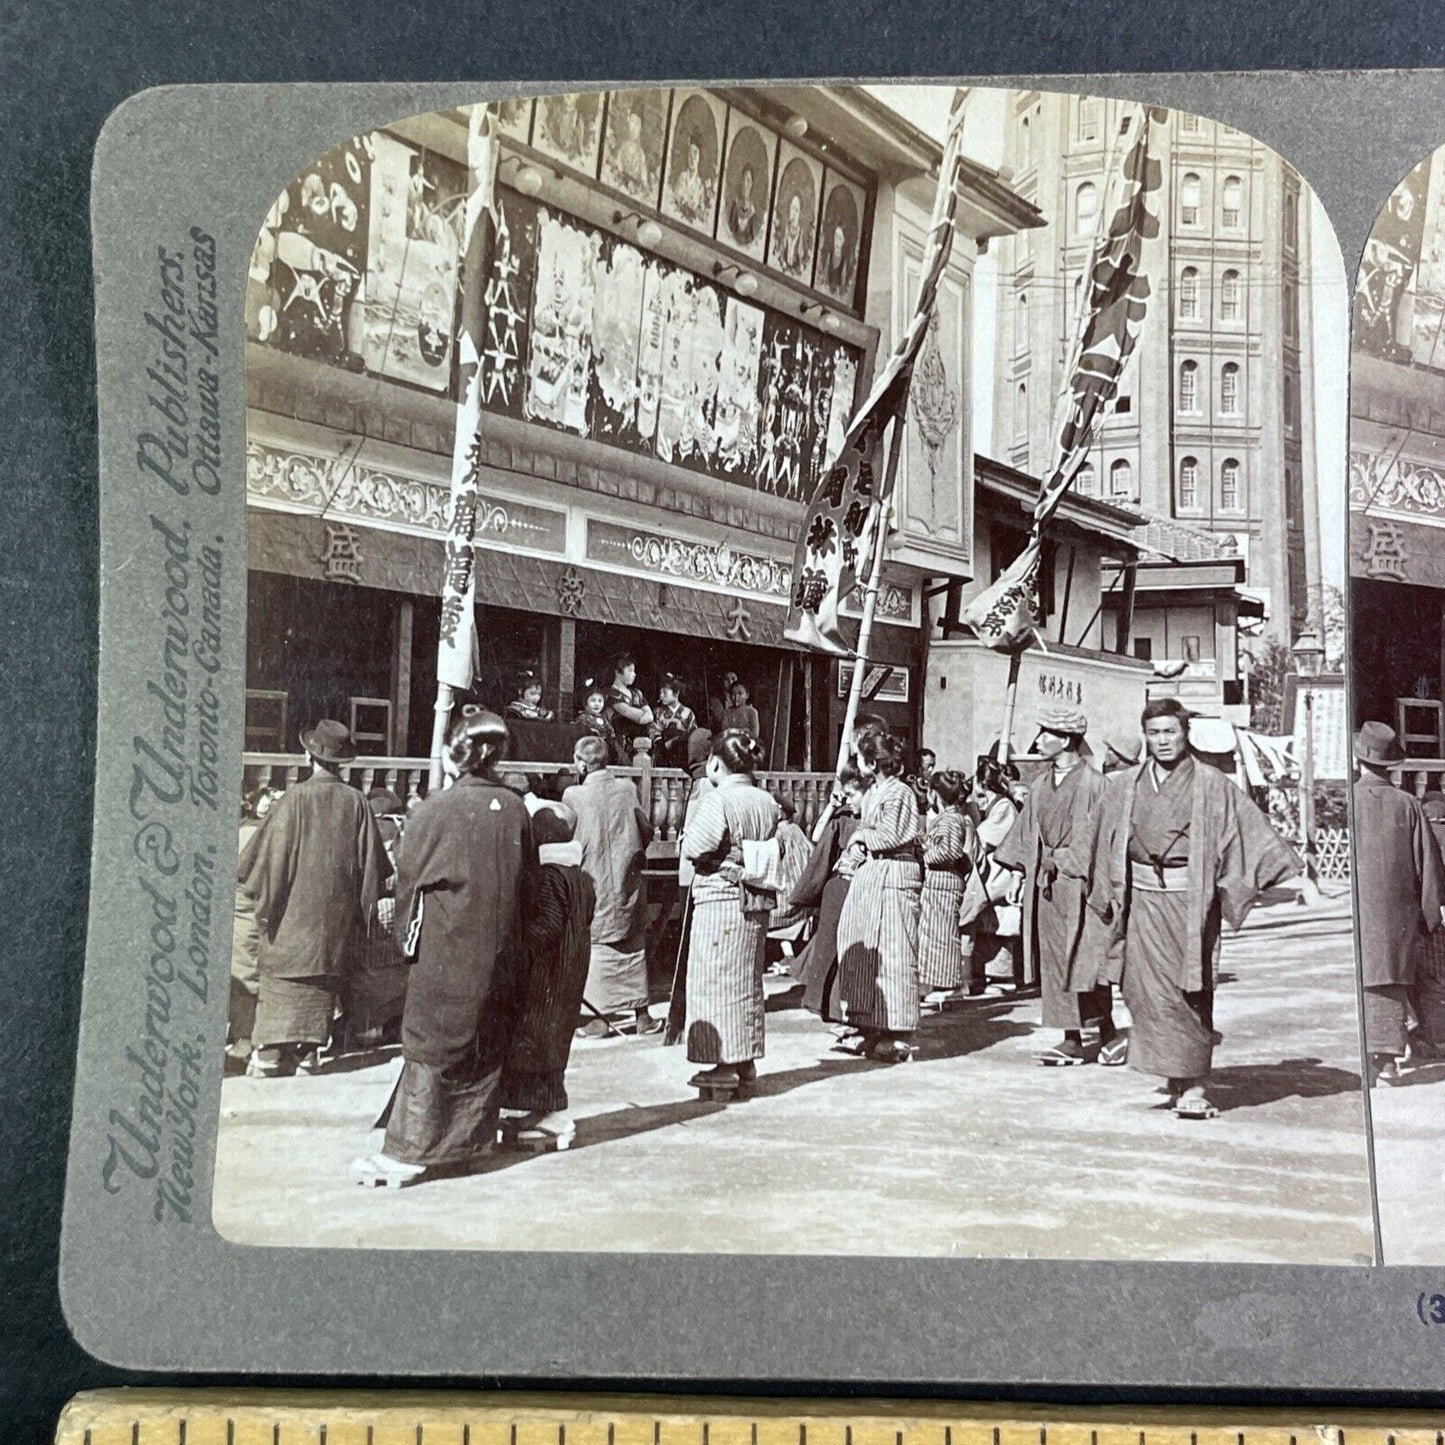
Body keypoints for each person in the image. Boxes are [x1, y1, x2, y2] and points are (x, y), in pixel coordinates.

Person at [352, 708, 536, 1186]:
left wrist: (406, 939)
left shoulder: (435, 809)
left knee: (432, 1041)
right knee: (483, 1039)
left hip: (449, 946)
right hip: (501, 948)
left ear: (455, 755)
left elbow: (408, 882)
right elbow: (529, 886)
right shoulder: (516, 807)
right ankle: (467, 1143)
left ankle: (411, 1149)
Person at [1097, 697, 1303, 1118]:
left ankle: (1196, 1085)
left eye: (1170, 732)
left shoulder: (1211, 783)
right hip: (1141, 902)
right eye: (1153, 733)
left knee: (1190, 987)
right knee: (1142, 991)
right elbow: (1100, 838)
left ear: (1185, 733)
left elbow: (1246, 832)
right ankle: (1174, 1074)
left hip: (1188, 904)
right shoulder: (1126, 784)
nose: (1162, 741)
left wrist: (1247, 882)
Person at [238, 721, 387, 1078]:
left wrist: (265, 907)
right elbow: (374, 869)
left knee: (282, 977)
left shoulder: (294, 799)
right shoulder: (357, 802)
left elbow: (264, 864)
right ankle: (309, 1053)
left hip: (292, 916)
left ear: (308, 756)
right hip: (333, 922)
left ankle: (270, 1055)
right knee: (322, 980)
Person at [993, 705, 1115, 1066]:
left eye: (1046, 733)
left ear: (1066, 740)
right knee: (1055, 960)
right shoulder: (1041, 784)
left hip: (1083, 885)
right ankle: (1072, 1037)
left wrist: (1077, 870)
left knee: (1085, 958)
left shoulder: (1096, 785)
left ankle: (1105, 1029)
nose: (1039, 740)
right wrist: (1018, 873)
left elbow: (1101, 840)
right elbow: (1027, 832)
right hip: (1048, 885)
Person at [678, 729, 783, 1092]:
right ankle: (745, 1058)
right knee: (746, 981)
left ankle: (723, 1063)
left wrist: (684, 839)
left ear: (715, 763)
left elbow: (697, 845)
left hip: (721, 899)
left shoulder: (718, 799)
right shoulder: (767, 801)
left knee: (715, 981)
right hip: (754, 897)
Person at [498, 802, 596, 1147]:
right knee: (554, 1040)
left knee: (535, 1040)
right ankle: (543, 1110)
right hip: (570, 972)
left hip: (547, 976)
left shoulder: (549, 875)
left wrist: (518, 946)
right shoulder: (580, 876)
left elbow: (548, 925)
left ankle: (547, 1115)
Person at [1352, 720, 1445, 1084]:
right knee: (1391, 977)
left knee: (1369, 978)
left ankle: (1381, 1058)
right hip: (1397, 913)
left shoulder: (1351, 800)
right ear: (1391, 765)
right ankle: (1387, 1061)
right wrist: (1430, 912)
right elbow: (1429, 865)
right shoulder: (1408, 804)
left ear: (1359, 759)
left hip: (1358, 908)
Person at [834, 729, 924, 1063]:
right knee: (863, 945)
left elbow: (893, 834)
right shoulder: (875, 791)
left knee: (894, 950)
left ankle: (896, 1031)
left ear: (873, 761)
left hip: (895, 873)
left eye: (860, 757)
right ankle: (867, 1022)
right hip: (873, 873)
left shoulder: (899, 792)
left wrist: (860, 835)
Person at [564, 734, 659, 1036]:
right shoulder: (627, 789)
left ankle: (598, 1019)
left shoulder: (573, 796)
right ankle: (642, 1016)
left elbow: (566, 838)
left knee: (598, 947)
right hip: (624, 877)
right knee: (632, 942)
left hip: (592, 879)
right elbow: (646, 829)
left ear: (581, 762)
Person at [790, 767, 867, 1022]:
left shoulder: (875, 819)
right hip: (840, 886)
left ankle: (838, 1007)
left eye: (852, 794)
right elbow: (816, 837)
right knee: (827, 944)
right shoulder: (844, 817)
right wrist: (831, 808)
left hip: (861, 889)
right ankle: (819, 1003)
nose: (848, 800)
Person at [967, 758, 1025, 995]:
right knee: (987, 924)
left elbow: (985, 837)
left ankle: (1002, 976)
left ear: (982, 783)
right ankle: (988, 973)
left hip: (1000, 873)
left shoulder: (1004, 807)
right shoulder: (995, 805)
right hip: (991, 872)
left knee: (1000, 925)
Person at [918, 770, 976, 1002]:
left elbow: (950, 851)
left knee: (944, 936)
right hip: (939, 883)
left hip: (944, 882)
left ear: (935, 794)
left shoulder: (952, 819)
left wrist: (925, 854)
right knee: (934, 936)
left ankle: (950, 985)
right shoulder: (951, 818)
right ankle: (938, 983)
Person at [605, 655, 654, 763]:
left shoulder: (637, 693)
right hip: (619, 745)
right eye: (630, 671)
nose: (634, 674)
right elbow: (640, 718)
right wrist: (641, 712)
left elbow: (650, 716)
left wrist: (640, 715)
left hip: (640, 744)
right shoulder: (612, 694)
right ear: (617, 672)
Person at [649, 673, 698, 768]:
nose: (661, 696)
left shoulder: (688, 713)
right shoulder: (658, 712)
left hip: (683, 756)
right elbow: (654, 735)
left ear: (676, 693)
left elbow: (694, 736)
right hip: (662, 756)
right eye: (660, 693)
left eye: (665, 692)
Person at [574, 683, 618, 752]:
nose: (597, 704)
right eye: (593, 700)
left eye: (600, 701)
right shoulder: (583, 718)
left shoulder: (603, 719)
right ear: (585, 703)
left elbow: (611, 732)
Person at [909, 748, 937, 812]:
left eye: (933, 766)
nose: (931, 770)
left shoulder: (932, 785)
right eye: (928, 765)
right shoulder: (911, 783)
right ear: (918, 764)